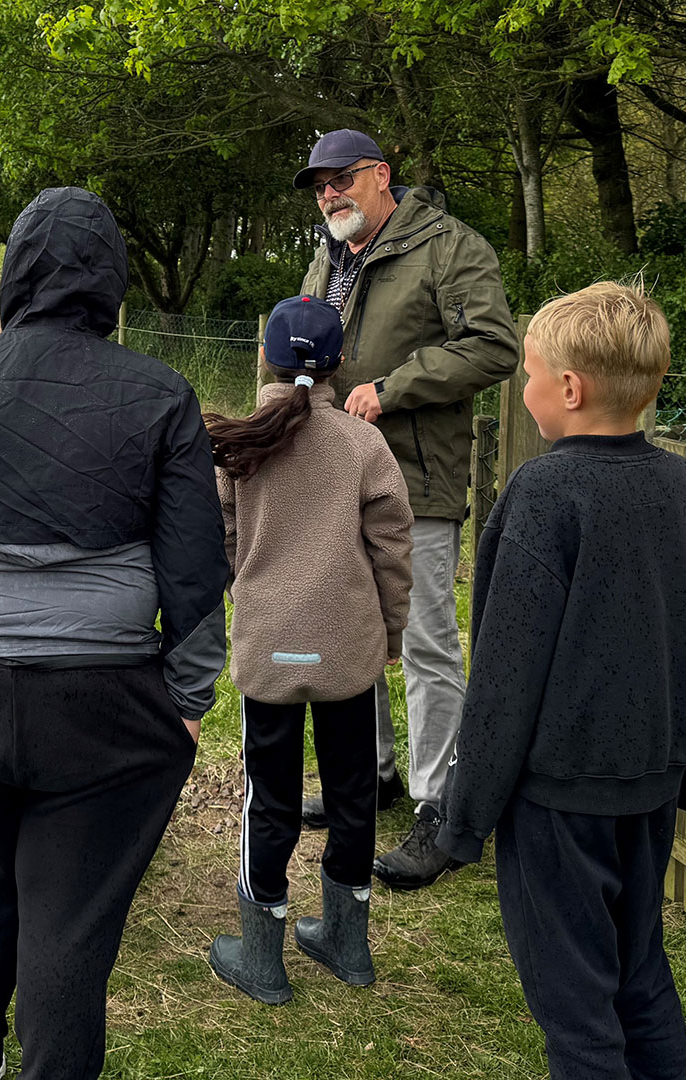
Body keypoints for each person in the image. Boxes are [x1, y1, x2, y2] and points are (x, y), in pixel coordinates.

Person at [0, 187, 229, 1080]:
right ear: (110, 283)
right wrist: (187, 700)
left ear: (15, 273)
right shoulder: (160, 395)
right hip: (105, 708)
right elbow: (196, 564)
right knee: (69, 935)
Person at [435, 280, 686, 1080]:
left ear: (568, 387)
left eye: (526, 372)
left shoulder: (544, 492)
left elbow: (503, 675)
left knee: (578, 1014)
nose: (521, 389)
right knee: (638, 977)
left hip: (560, 799)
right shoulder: (683, 487)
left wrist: (464, 822)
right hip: (651, 787)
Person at [288, 129, 521, 890]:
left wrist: (393, 388)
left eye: (342, 179)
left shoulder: (449, 246)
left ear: (381, 176)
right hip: (338, 470)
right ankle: (377, 774)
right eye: (320, 184)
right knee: (356, 625)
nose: (329, 194)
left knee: (423, 641)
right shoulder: (329, 256)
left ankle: (440, 807)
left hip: (416, 478)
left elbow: (493, 345)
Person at [203, 295, 413, 1005]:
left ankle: (262, 958)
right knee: (354, 793)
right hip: (347, 647)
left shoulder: (239, 445)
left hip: (270, 647)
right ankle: (348, 945)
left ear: (264, 355)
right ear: (339, 364)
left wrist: (248, 592)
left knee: (271, 799)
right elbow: (392, 546)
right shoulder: (363, 444)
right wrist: (392, 628)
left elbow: (224, 539)